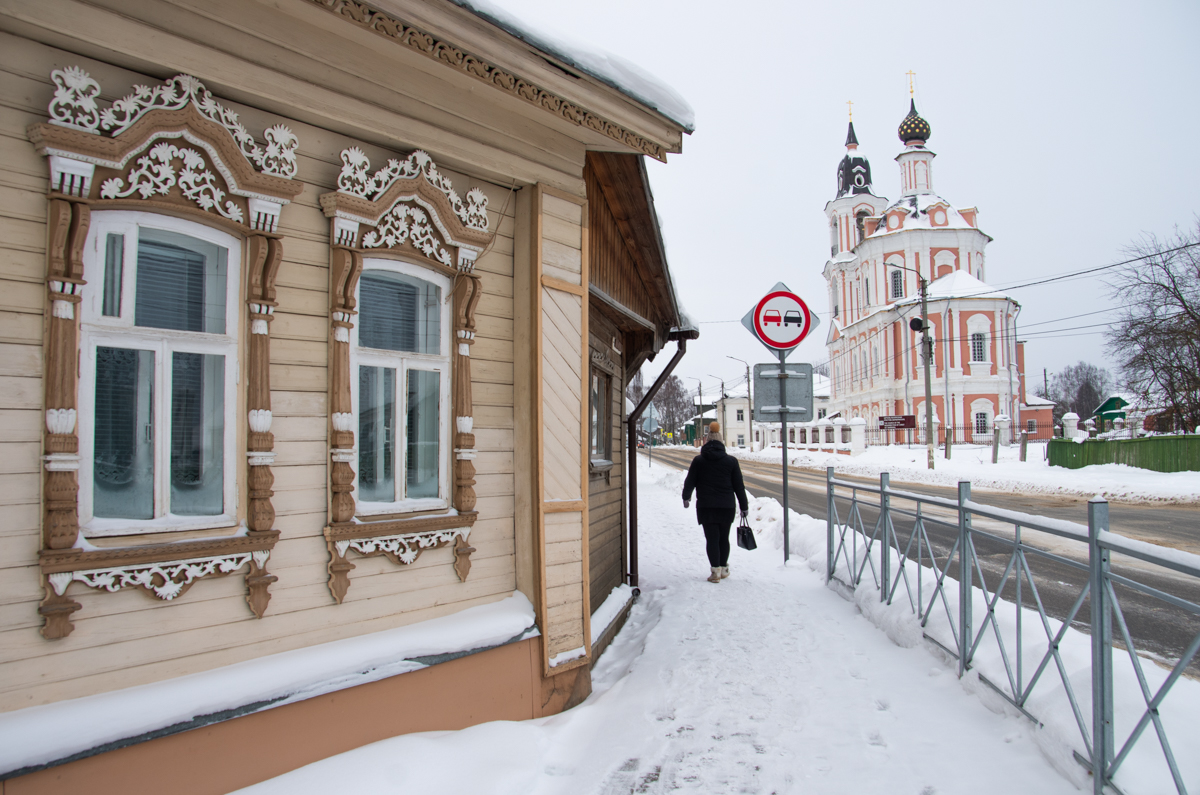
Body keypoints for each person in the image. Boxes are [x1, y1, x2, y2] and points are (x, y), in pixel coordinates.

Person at [682, 422, 749, 583]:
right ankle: (724, 568)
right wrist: (744, 506)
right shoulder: (731, 462)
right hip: (727, 506)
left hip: (706, 506)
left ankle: (715, 572)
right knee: (723, 538)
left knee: (712, 539)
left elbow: (690, 481)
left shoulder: (699, 461)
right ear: (721, 443)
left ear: (706, 442)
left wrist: (686, 497)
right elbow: (739, 486)